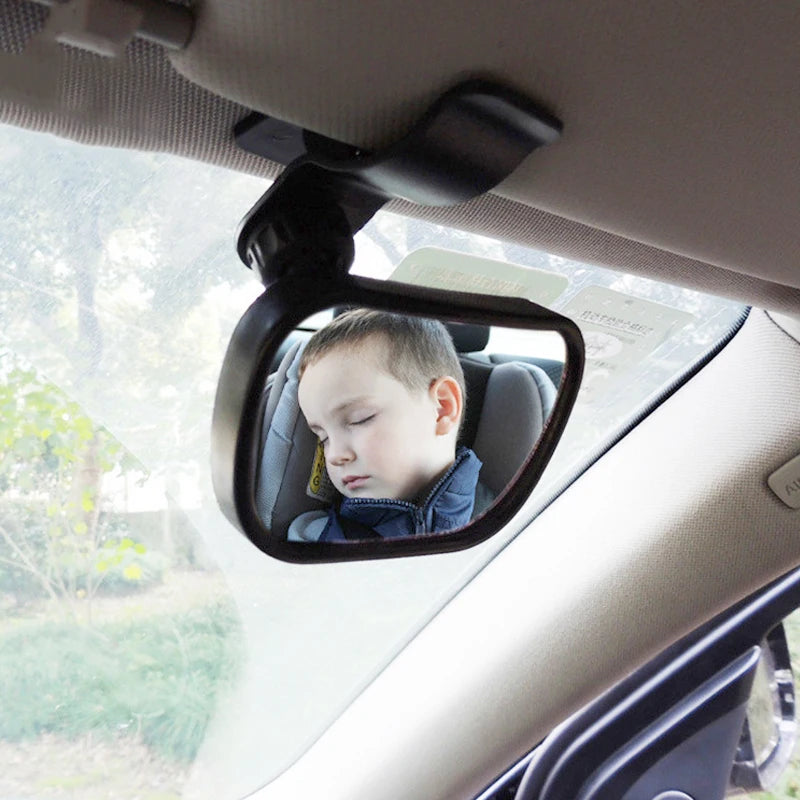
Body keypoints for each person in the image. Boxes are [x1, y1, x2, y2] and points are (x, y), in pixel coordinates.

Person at [288, 309, 485, 541]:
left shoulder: (509, 520)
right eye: (323, 438)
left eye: (359, 419)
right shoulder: (318, 538)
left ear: (442, 408)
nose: (334, 456)